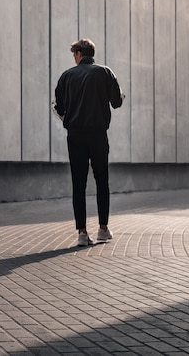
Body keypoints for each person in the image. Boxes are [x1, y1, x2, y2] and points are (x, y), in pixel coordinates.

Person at [53, 38, 124, 247]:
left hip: (75, 136)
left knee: (79, 184)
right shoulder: (105, 72)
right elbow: (117, 102)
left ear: (78, 54)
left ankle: (82, 233)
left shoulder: (67, 76)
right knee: (102, 181)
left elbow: (59, 107)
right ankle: (103, 229)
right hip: (98, 135)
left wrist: (65, 116)